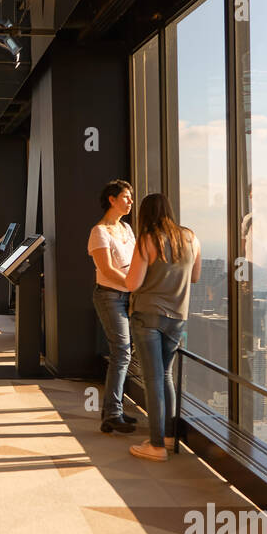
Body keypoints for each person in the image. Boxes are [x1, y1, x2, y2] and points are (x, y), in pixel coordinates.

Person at [125, 192, 201, 462]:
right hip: (178, 318)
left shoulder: (147, 239)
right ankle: (168, 437)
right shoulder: (191, 238)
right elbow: (195, 277)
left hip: (148, 316)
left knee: (153, 380)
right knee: (165, 376)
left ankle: (156, 446)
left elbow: (132, 283)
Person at [89, 180, 137, 435]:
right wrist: (133, 285)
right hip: (110, 296)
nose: (130, 201)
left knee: (125, 353)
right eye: (126, 197)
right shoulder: (99, 232)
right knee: (122, 352)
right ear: (112, 199)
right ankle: (112, 413)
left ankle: (112, 410)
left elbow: (137, 260)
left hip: (128, 295)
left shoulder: (127, 228)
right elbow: (107, 269)